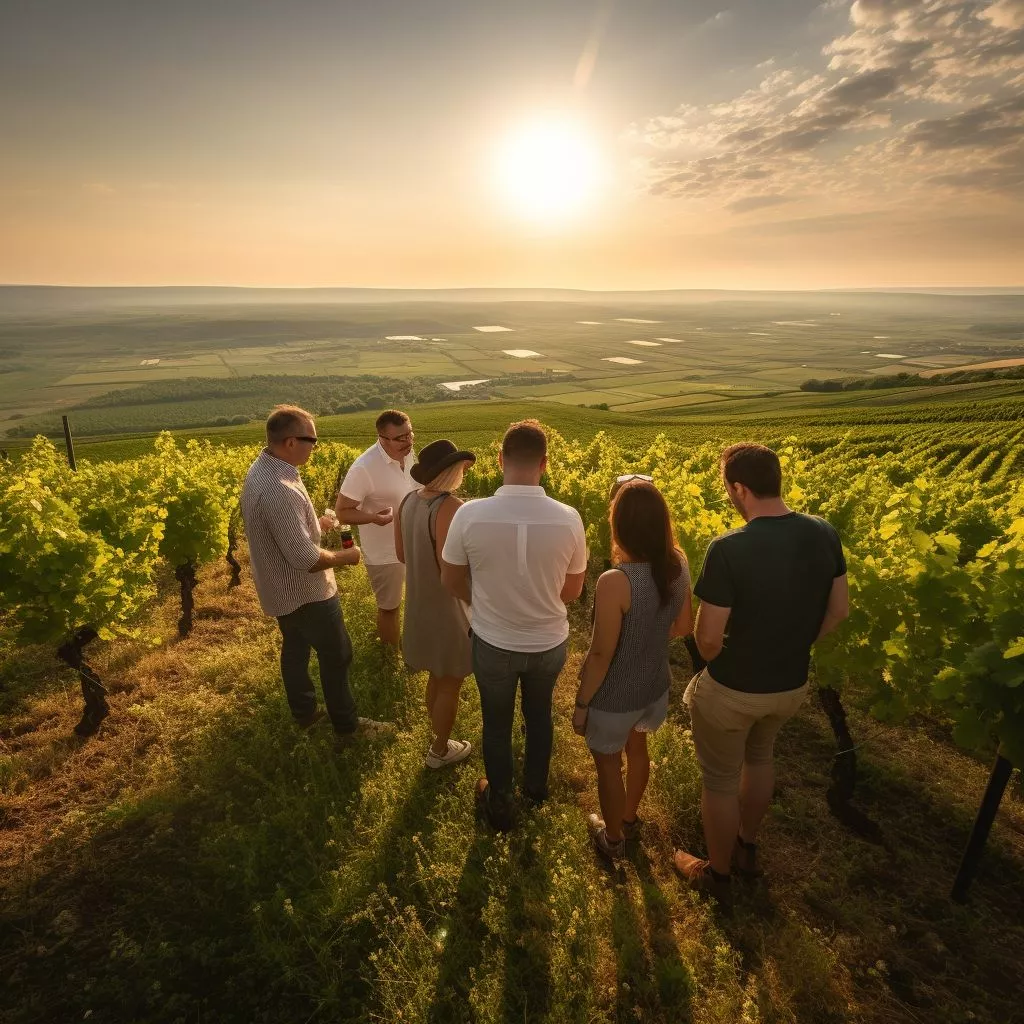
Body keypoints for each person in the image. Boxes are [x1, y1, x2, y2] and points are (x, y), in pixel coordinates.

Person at [673, 443, 848, 901]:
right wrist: (796, 644)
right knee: (761, 758)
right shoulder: (824, 533)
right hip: (789, 685)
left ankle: (719, 874)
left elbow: (708, 638)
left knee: (720, 780)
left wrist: (723, 660)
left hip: (734, 688)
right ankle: (748, 847)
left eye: (729, 489)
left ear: (740, 488)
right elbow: (839, 609)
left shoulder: (729, 548)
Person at [441, 420, 588, 831]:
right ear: (545, 463)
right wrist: (535, 597)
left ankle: (501, 800)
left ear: (500, 459)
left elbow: (451, 581)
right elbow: (573, 591)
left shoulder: (469, 515)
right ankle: (536, 791)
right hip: (548, 643)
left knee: (496, 720)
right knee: (539, 714)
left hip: (493, 642)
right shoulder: (569, 518)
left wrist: (489, 599)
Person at [241, 404, 390, 740]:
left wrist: (315, 526)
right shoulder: (279, 489)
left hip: (280, 590)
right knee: (337, 656)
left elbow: (285, 534)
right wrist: (346, 557)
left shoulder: (267, 469)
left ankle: (305, 714)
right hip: (307, 593)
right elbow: (304, 559)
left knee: (294, 649)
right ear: (291, 441)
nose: (315, 446)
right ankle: (348, 728)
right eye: (311, 440)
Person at [573, 479, 693, 860]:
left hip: (614, 697)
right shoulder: (678, 562)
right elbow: (683, 627)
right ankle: (628, 817)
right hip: (655, 688)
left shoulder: (615, 581)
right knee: (637, 747)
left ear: (618, 525)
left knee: (608, 765)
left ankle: (612, 840)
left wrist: (581, 703)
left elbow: (600, 655)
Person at [396, 439, 476, 769]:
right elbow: (451, 570)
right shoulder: (450, 507)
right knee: (450, 682)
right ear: (450, 472)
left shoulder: (407, 501)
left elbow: (402, 554)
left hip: (418, 603)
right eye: (460, 469)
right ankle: (440, 751)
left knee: (436, 676)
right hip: (447, 608)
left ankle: (437, 737)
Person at [335, 410, 416, 646]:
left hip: (413, 543)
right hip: (385, 551)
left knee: (415, 602)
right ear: (382, 438)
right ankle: (390, 660)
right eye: (401, 438)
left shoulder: (408, 453)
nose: (408, 442)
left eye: (410, 434)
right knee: (390, 607)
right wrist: (373, 518)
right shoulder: (364, 467)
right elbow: (342, 511)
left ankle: (411, 648)